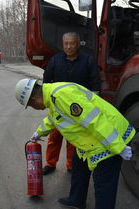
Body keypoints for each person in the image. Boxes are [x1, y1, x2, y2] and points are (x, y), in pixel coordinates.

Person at [14, 79, 135, 209]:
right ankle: (77, 200)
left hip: (110, 136)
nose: (35, 109)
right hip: (93, 139)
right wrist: (39, 133)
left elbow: (94, 120)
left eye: (31, 106)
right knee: (78, 164)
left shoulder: (61, 96)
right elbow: (54, 118)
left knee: (104, 183)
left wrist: (118, 147)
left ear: (34, 99)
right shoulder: (51, 96)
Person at [42, 32, 101, 175]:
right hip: (59, 108)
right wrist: (48, 102)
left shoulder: (87, 61)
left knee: (73, 139)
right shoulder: (55, 60)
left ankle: (71, 165)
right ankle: (50, 163)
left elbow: (95, 84)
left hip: (78, 109)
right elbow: (46, 82)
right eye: (66, 44)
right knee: (54, 137)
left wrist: (92, 104)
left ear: (78, 44)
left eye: (72, 43)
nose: (69, 46)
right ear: (63, 45)